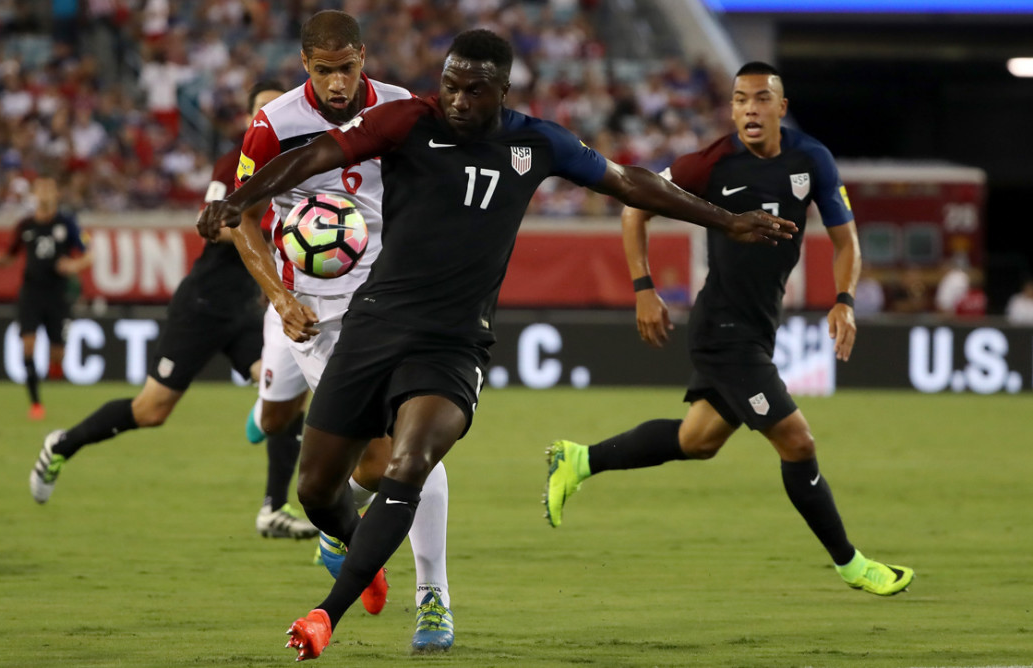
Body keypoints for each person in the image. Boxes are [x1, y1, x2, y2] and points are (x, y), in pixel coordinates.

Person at [197, 30, 795, 661]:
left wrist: (727, 220)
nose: (455, 99)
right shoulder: (405, 119)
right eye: (450, 84)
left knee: (410, 465)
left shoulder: (537, 142)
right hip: (374, 325)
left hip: (453, 344)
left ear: (503, 92)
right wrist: (240, 198)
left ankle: (359, 610)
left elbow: (629, 182)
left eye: (472, 90)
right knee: (317, 489)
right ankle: (357, 552)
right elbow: (317, 156)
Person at [543, 62, 914, 599]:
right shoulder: (711, 162)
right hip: (724, 330)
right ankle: (851, 563)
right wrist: (644, 288)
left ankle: (579, 459)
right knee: (797, 441)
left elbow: (846, 241)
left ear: (781, 108)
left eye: (761, 99)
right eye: (740, 100)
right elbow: (633, 208)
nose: (749, 110)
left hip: (758, 329)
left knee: (698, 440)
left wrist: (845, 301)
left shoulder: (812, 159)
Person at [229, 11, 455, 652]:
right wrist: (277, 295)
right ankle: (339, 520)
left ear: (363, 57)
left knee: (415, 452)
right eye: (324, 71)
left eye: (346, 68)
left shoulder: (402, 108)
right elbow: (241, 218)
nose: (336, 83)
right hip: (315, 314)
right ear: (305, 65)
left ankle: (432, 598)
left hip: (395, 302)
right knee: (300, 434)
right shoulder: (273, 127)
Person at [26, 82, 320, 541]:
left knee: (283, 391)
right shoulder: (235, 163)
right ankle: (62, 443)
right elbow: (214, 223)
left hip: (245, 309)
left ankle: (273, 507)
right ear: (249, 119)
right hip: (202, 306)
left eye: (280, 106)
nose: (274, 115)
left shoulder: (298, 166)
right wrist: (262, 236)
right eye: (264, 108)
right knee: (152, 410)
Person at [0, 177, 92, 420]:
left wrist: (74, 265)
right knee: (28, 343)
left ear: (56, 194)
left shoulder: (68, 223)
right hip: (31, 293)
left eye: (49, 189)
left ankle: (54, 368)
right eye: (40, 189)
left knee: (58, 352)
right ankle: (35, 403)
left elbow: (89, 253)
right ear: (34, 194)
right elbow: (12, 254)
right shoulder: (25, 225)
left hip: (58, 294)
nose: (45, 193)